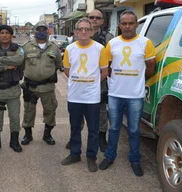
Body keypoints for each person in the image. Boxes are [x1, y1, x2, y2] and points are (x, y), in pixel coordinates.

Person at [99, 10, 156, 176]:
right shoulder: (113, 43)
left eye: (131, 23)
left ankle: (135, 160)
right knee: (114, 128)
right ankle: (110, 156)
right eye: (124, 23)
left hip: (135, 95)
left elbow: (150, 67)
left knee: (133, 130)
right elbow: (107, 67)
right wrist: (118, 79)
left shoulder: (146, 43)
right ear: (120, 25)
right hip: (115, 94)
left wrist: (136, 80)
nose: (127, 26)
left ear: (136, 24)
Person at [60, 18, 108, 172]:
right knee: (75, 127)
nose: (83, 31)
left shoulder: (100, 49)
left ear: (92, 32)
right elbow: (67, 70)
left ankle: (91, 156)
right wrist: (79, 81)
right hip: (75, 96)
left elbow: (105, 71)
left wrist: (93, 83)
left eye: (87, 29)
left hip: (92, 97)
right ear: (75, 32)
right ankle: (75, 154)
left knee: (93, 129)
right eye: (80, 29)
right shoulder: (70, 49)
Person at [65, 9, 114, 152]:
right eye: (91, 17)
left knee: (100, 114)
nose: (94, 19)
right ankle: (75, 141)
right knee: (76, 118)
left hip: (100, 83)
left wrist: (94, 81)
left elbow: (109, 63)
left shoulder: (108, 38)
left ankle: (100, 138)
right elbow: (70, 67)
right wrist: (81, 80)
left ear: (102, 21)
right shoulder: (75, 41)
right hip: (80, 86)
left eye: (97, 18)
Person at [21, 21, 62, 146]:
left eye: (44, 29)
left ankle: (47, 134)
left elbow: (58, 64)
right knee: (28, 111)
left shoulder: (54, 48)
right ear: (34, 32)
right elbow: (21, 64)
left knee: (50, 110)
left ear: (48, 32)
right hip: (30, 86)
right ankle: (28, 134)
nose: (42, 32)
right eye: (39, 29)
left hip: (47, 87)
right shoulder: (26, 47)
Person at [0, 25, 24, 153]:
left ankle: (14, 141)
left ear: (11, 35)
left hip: (13, 90)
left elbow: (19, 59)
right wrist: (7, 67)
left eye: (7, 33)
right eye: (2, 33)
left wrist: (0, 60)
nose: (4, 35)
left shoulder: (18, 49)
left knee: (14, 117)